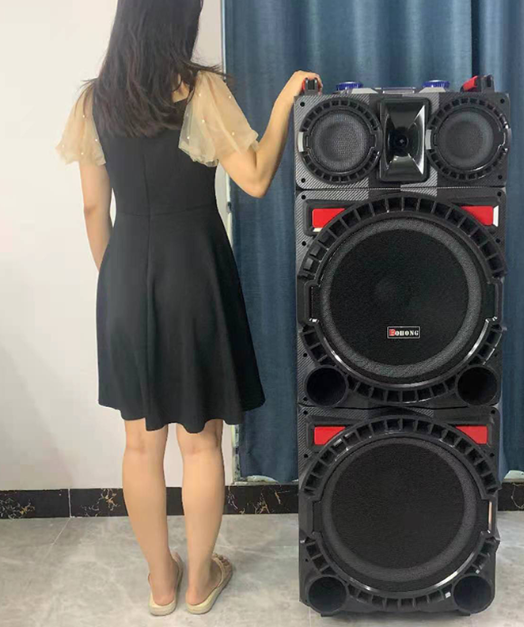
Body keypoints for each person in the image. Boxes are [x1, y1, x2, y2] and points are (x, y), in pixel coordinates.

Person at [55, 0, 322, 617]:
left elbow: (94, 210)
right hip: (195, 275)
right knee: (200, 443)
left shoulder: (94, 102)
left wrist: (119, 283)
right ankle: (199, 582)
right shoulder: (199, 90)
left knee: (139, 443)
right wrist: (284, 103)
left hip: (126, 276)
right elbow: (255, 177)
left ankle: (160, 584)